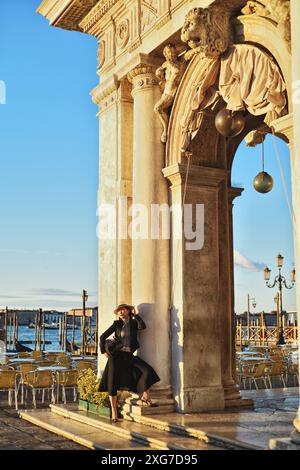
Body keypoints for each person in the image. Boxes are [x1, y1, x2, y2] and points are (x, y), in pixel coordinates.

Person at [99, 303, 160, 422]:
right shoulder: (116, 324)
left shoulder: (133, 323)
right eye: (118, 311)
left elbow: (142, 326)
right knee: (112, 382)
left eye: (123, 310)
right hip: (116, 356)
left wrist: (135, 315)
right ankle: (114, 412)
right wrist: (103, 351)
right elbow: (102, 337)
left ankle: (146, 395)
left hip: (128, 355)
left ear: (127, 311)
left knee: (146, 370)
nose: (120, 312)